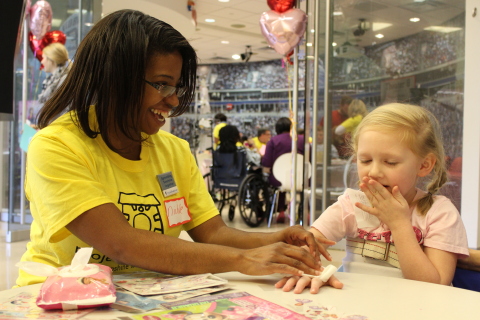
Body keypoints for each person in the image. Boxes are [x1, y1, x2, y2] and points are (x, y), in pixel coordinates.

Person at [16, 9, 334, 287]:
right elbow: (122, 243)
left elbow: (212, 233)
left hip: (147, 298)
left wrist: (273, 239)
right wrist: (243, 259)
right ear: (116, 79)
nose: (173, 100)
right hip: (61, 300)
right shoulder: (56, 146)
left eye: (177, 87)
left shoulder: (174, 151)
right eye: (162, 84)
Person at [276, 103, 469, 294]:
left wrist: (399, 223)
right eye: (365, 160)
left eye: (390, 162)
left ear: (424, 165)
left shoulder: (440, 213)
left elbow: (436, 286)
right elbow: (311, 243)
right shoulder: (352, 204)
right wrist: (307, 270)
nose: (374, 172)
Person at [262, 117, 305, 223]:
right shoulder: (302, 139)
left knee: (279, 180)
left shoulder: (273, 141)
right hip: (302, 179)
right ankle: (306, 211)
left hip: (278, 179)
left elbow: (267, 163)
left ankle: (281, 211)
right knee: (303, 186)